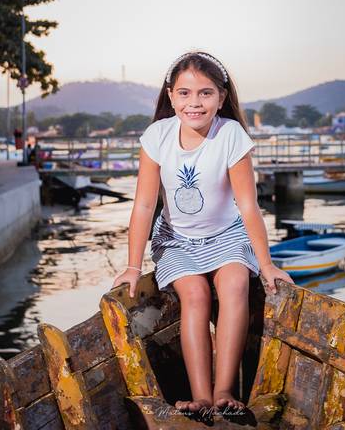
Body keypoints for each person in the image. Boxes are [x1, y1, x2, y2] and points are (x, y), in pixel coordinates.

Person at [111, 51, 293, 414]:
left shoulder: (230, 135)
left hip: (227, 235)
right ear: (171, 95)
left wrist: (266, 264)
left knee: (235, 284)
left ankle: (224, 391)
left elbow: (248, 206)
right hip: (176, 240)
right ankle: (201, 398)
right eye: (184, 93)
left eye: (205, 93)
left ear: (221, 98)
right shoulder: (157, 136)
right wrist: (132, 266)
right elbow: (144, 205)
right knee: (194, 294)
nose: (194, 103)